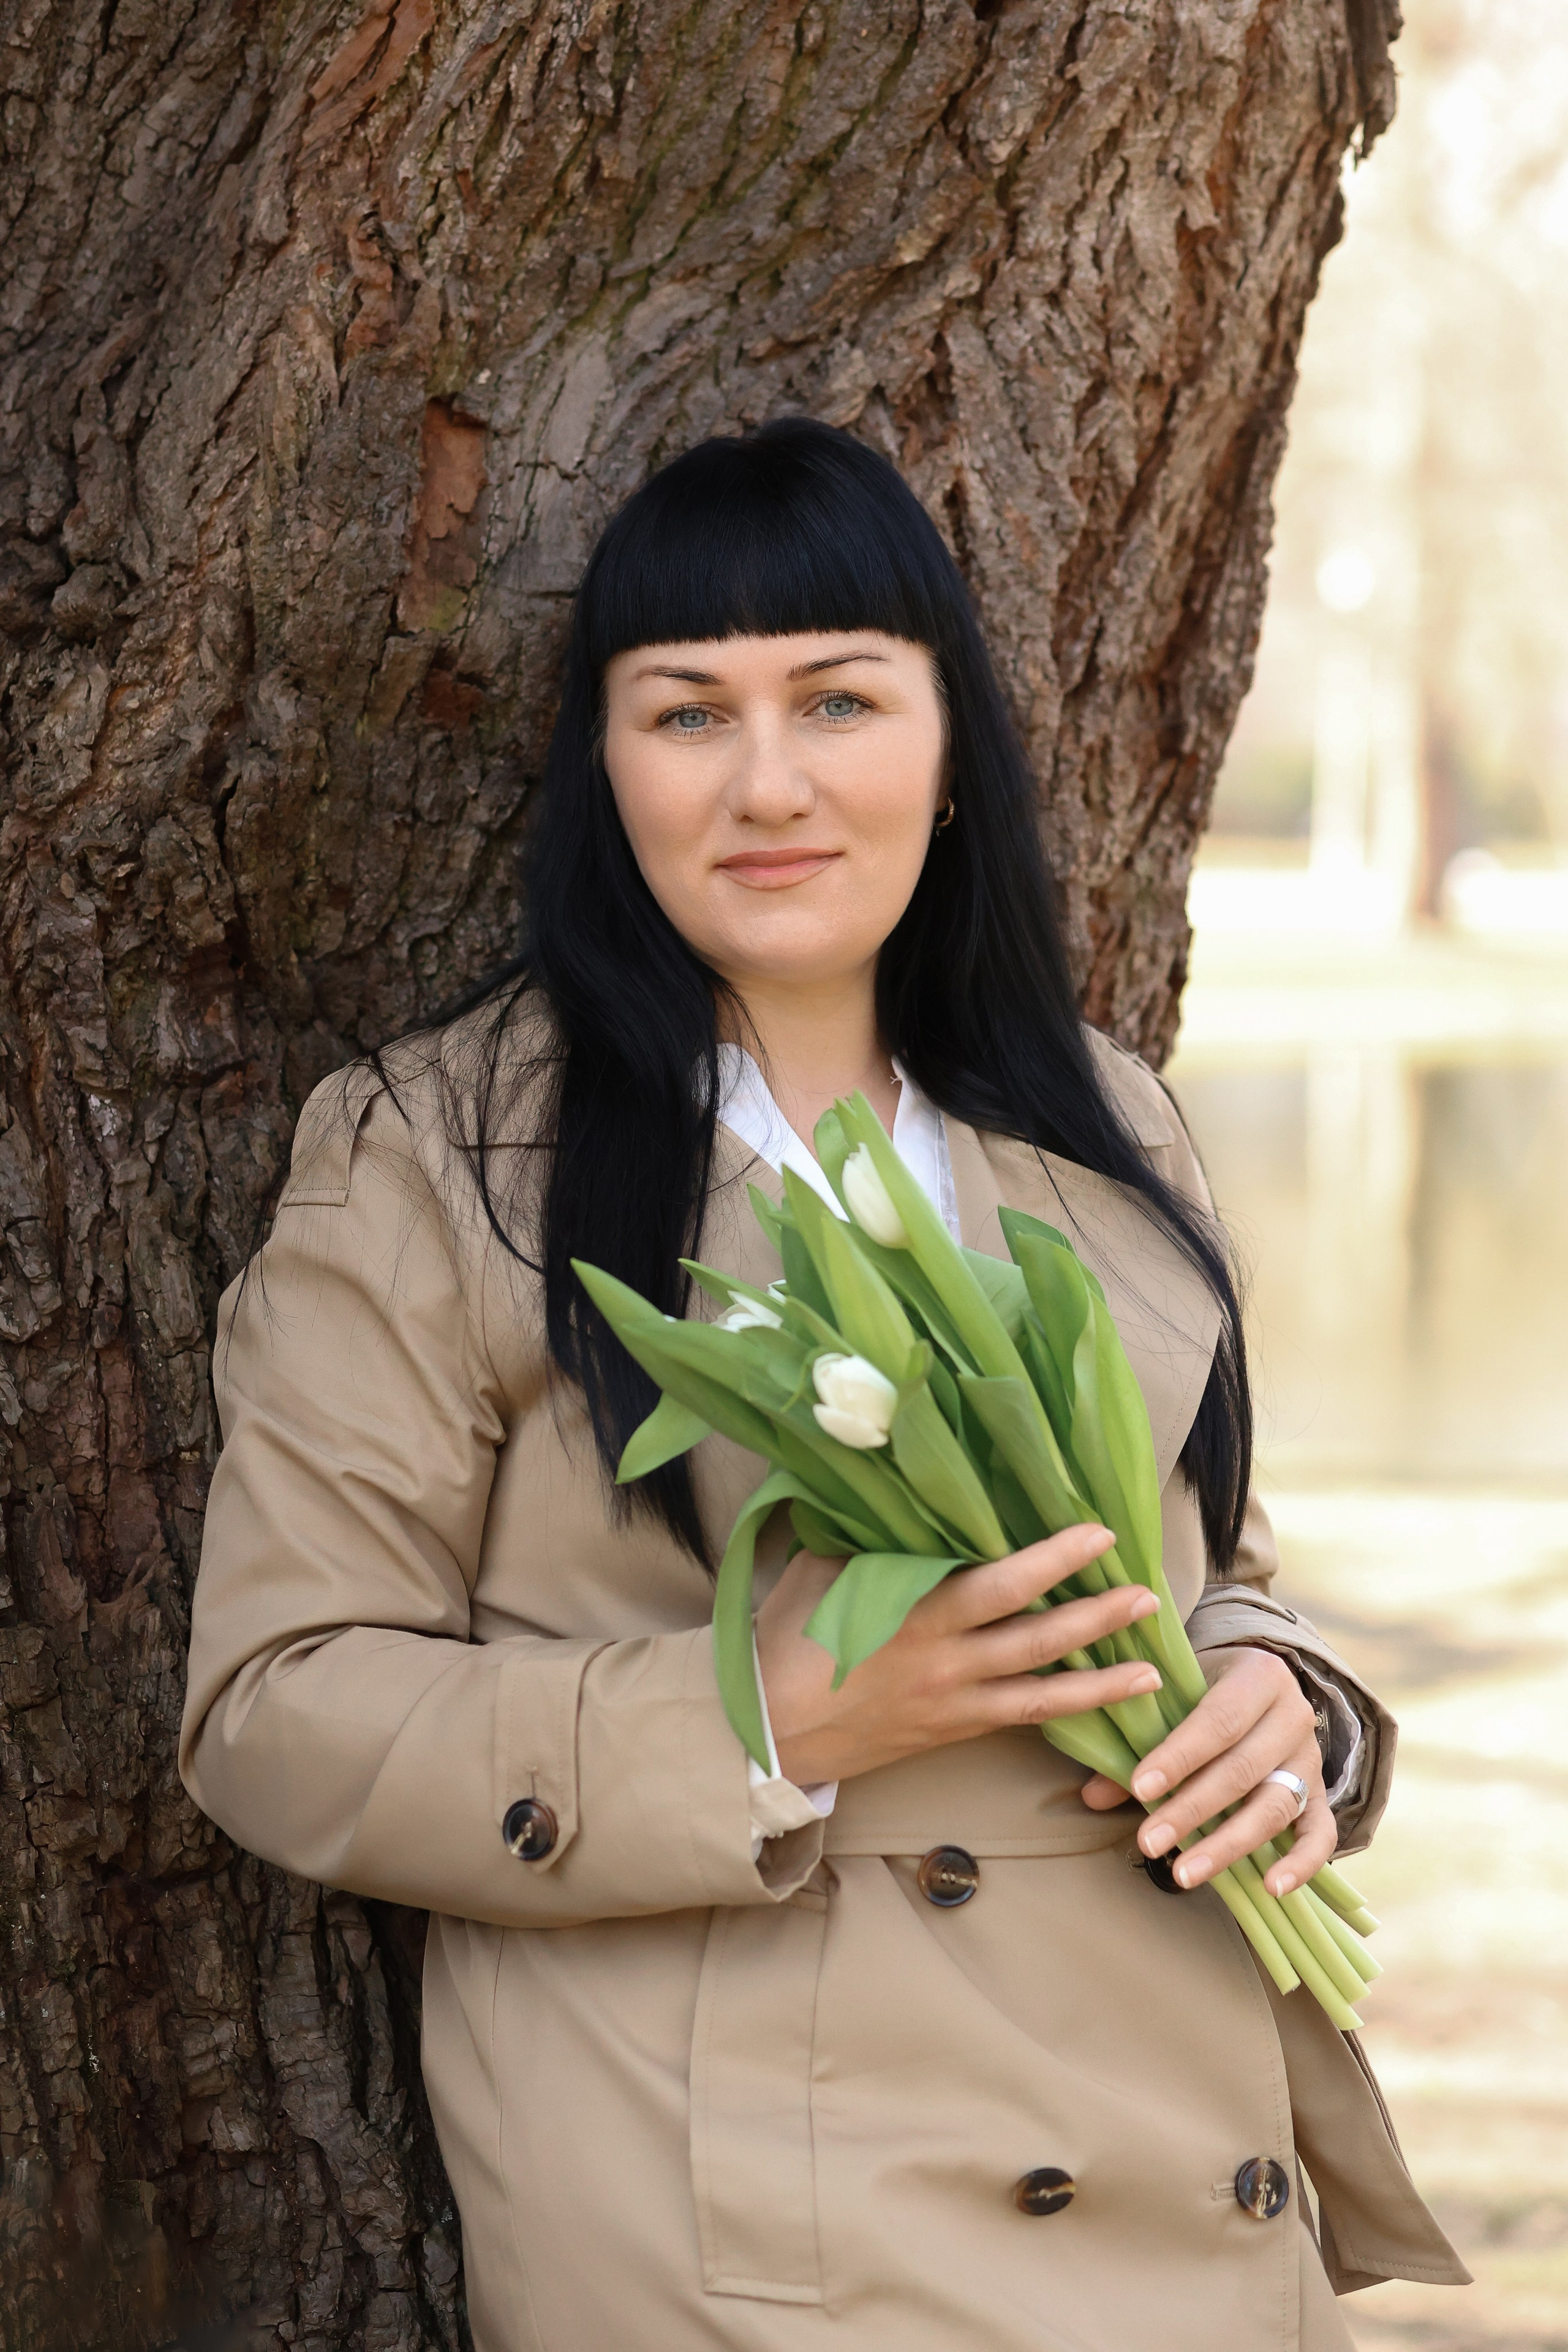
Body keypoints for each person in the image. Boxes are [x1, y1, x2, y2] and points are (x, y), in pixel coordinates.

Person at [181, 420, 1464, 2350]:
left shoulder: (1097, 1124)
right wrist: (771, 1721)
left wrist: (1298, 1712)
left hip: (1189, 2173)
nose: (767, 783)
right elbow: (276, 1707)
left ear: (948, 750)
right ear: (602, 770)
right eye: (685, 713)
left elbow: (1217, 1576)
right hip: (759, 2225)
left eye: (840, 699)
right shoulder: (442, 1159)